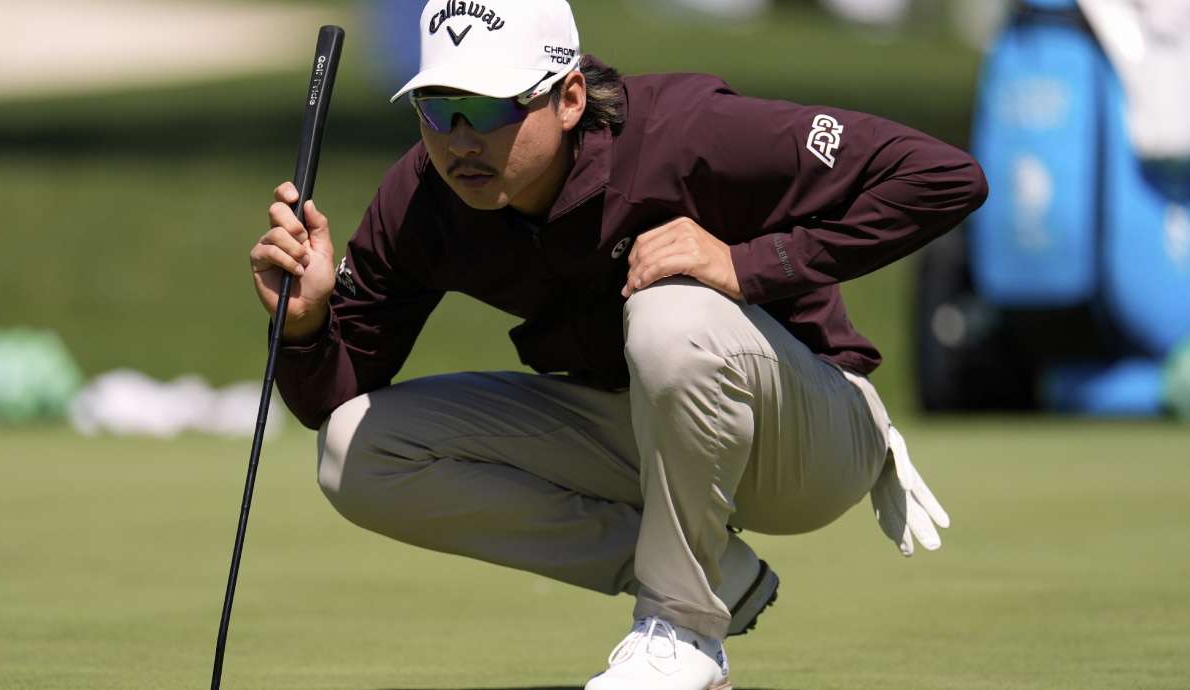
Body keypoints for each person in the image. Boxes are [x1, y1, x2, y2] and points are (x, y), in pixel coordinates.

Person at [248, 1, 986, 687]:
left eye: (490, 108)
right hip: (649, 433)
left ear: (569, 98)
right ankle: (713, 575)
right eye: (437, 109)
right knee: (357, 452)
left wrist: (746, 265)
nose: (460, 140)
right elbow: (332, 400)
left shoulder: (688, 132)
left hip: (809, 436)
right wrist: (309, 322)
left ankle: (684, 628)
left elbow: (943, 176)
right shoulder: (423, 199)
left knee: (670, 313)